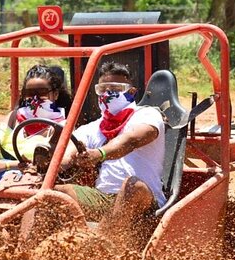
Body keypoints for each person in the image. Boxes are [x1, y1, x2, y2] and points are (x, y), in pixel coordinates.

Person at [58, 61, 166, 235]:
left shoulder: (147, 114)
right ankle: (25, 252)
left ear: (131, 92)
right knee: (54, 194)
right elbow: (66, 155)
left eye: (115, 89)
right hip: (103, 198)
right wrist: (56, 164)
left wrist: (100, 153)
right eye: (103, 89)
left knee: (132, 185)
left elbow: (130, 141)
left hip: (145, 199)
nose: (108, 94)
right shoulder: (92, 128)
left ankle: (103, 248)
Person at [0, 64, 70, 185]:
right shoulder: (14, 117)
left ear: (55, 94)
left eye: (42, 93)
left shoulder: (62, 125)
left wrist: (6, 165)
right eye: (30, 93)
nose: (35, 98)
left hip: (34, 180)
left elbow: (54, 165)